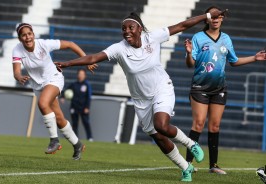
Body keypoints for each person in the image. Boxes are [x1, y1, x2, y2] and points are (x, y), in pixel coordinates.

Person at [55, 10, 228, 182]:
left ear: (140, 29)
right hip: (141, 99)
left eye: (130, 27)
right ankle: (185, 167)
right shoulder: (119, 48)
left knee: (161, 124)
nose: (127, 31)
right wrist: (68, 63)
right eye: (124, 29)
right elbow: (94, 57)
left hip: (162, 88)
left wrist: (206, 16)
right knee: (159, 138)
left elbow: (182, 25)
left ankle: (191, 144)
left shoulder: (153, 37)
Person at [184, 6, 266, 174]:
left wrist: (255, 58)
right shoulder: (198, 37)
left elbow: (233, 61)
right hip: (200, 87)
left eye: (218, 16)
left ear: (222, 19)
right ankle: (187, 164)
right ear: (207, 19)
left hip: (219, 88)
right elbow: (190, 64)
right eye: (212, 16)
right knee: (198, 124)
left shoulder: (226, 39)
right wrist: (188, 53)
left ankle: (213, 165)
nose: (215, 18)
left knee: (215, 126)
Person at [12, 23, 88, 160]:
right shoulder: (17, 50)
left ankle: (54, 140)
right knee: (59, 119)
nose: (27, 37)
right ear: (19, 38)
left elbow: (70, 44)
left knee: (42, 103)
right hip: (38, 86)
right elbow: (16, 71)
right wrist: (19, 77)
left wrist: (86, 59)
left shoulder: (43, 44)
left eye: (29, 34)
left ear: (33, 35)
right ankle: (77, 145)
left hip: (54, 79)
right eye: (23, 35)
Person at [62, 69, 93, 141]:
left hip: (83, 107)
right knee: (74, 123)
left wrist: (87, 107)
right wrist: (62, 97)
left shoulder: (87, 85)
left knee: (86, 122)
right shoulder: (74, 84)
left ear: (85, 76)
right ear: (77, 75)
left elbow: (89, 97)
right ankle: (75, 138)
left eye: (82, 74)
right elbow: (66, 91)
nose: (80, 75)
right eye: (79, 74)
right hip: (74, 106)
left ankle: (90, 137)